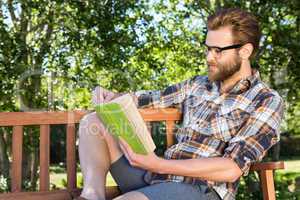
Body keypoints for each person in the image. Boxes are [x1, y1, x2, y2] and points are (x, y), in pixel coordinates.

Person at [75, 8, 284, 200]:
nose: (209, 57)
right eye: (208, 48)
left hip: (201, 189)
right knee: (94, 121)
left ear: (245, 51)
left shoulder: (266, 100)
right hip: (155, 177)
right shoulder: (197, 85)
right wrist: (113, 96)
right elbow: (149, 98)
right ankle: (92, 195)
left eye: (218, 50)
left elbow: (232, 168)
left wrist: (158, 163)